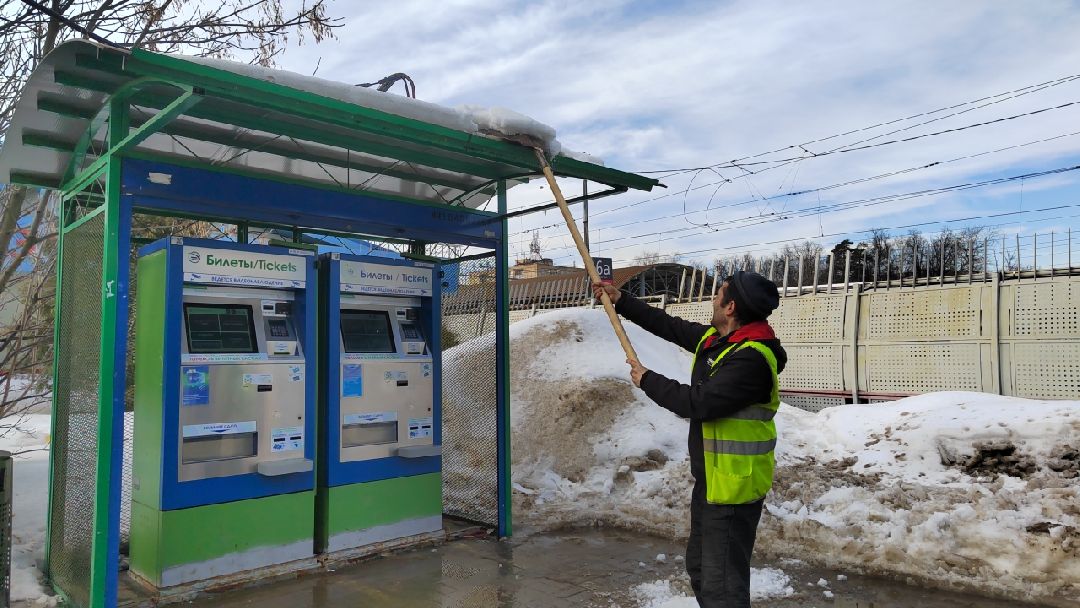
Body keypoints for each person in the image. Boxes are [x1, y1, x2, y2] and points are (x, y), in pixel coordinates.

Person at [593, 271, 786, 608]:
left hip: (733, 489)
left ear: (731, 307)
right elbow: (668, 325)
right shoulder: (719, 341)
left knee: (722, 586)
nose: (713, 299)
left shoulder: (751, 358)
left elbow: (700, 404)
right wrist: (621, 300)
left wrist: (648, 380)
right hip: (712, 481)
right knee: (701, 570)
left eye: (719, 294)